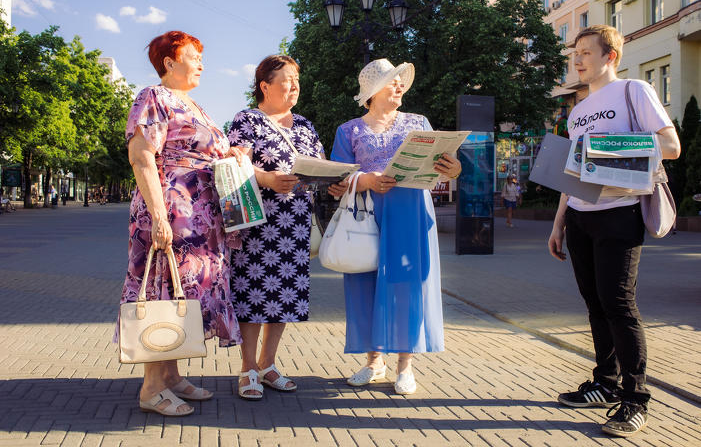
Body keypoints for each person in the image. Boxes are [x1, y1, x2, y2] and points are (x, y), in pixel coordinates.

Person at [548, 25, 681, 437]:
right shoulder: (577, 109)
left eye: (586, 52)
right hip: (580, 218)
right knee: (594, 305)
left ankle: (635, 399)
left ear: (611, 57)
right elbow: (573, 171)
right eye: (575, 54)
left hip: (620, 213)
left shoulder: (634, 91)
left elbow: (671, 145)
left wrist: (612, 146)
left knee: (619, 306)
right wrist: (557, 222)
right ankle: (604, 383)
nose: (578, 59)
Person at [119, 31, 243, 417]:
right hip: (173, 213)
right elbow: (141, 157)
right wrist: (158, 216)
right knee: (163, 293)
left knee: (182, 296)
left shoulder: (192, 104)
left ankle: (171, 375)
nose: (201, 63)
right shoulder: (153, 97)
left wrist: (231, 152)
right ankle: (152, 388)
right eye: (193, 56)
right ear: (169, 62)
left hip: (200, 220)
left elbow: (205, 152)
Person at [330, 59, 461, 395]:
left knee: (407, 285)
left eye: (401, 81)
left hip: (411, 212)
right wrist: (365, 180)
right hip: (366, 214)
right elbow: (336, 178)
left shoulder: (419, 122)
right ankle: (374, 362)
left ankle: (405, 365)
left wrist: (454, 168)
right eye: (392, 81)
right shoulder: (349, 130)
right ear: (373, 91)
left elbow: (442, 168)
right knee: (365, 282)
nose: (400, 85)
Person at [227, 55, 329, 400]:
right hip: (258, 223)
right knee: (253, 295)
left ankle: (268, 365)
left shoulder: (304, 125)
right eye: (287, 79)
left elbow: (320, 166)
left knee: (283, 298)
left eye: (297, 79)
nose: (294, 86)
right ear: (265, 86)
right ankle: (247, 369)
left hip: (296, 225)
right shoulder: (248, 120)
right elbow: (233, 163)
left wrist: (335, 180)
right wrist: (267, 177)